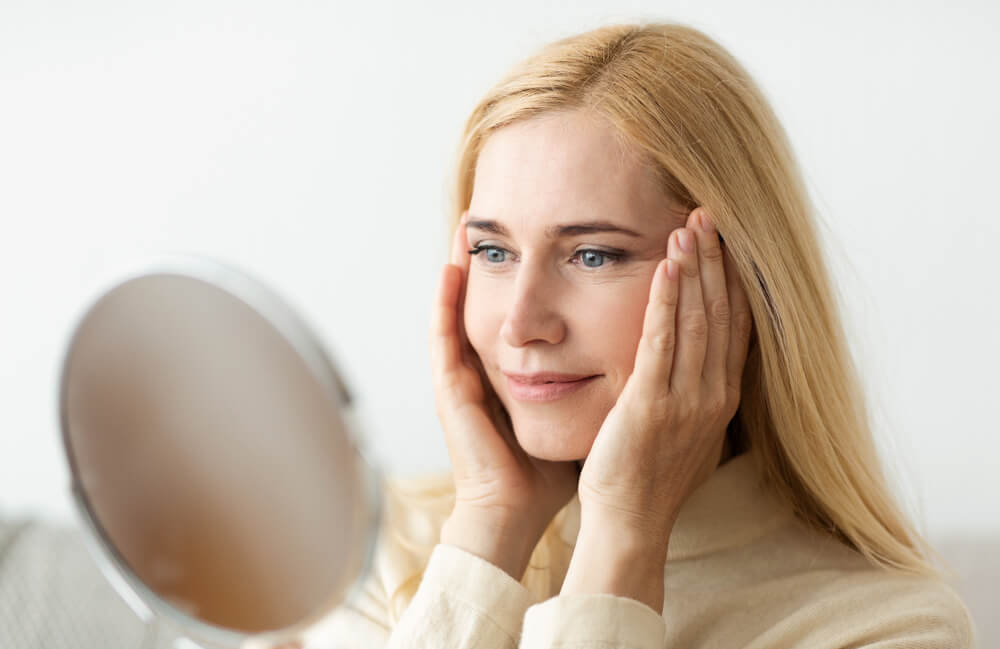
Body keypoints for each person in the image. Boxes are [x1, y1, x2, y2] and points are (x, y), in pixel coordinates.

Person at [245, 20, 978, 649]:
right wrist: (489, 531)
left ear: (737, 288)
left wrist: (624, 536)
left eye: (592, 254)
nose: (521, 322)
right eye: (493, 252)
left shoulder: (881, 626)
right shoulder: (378, 547)